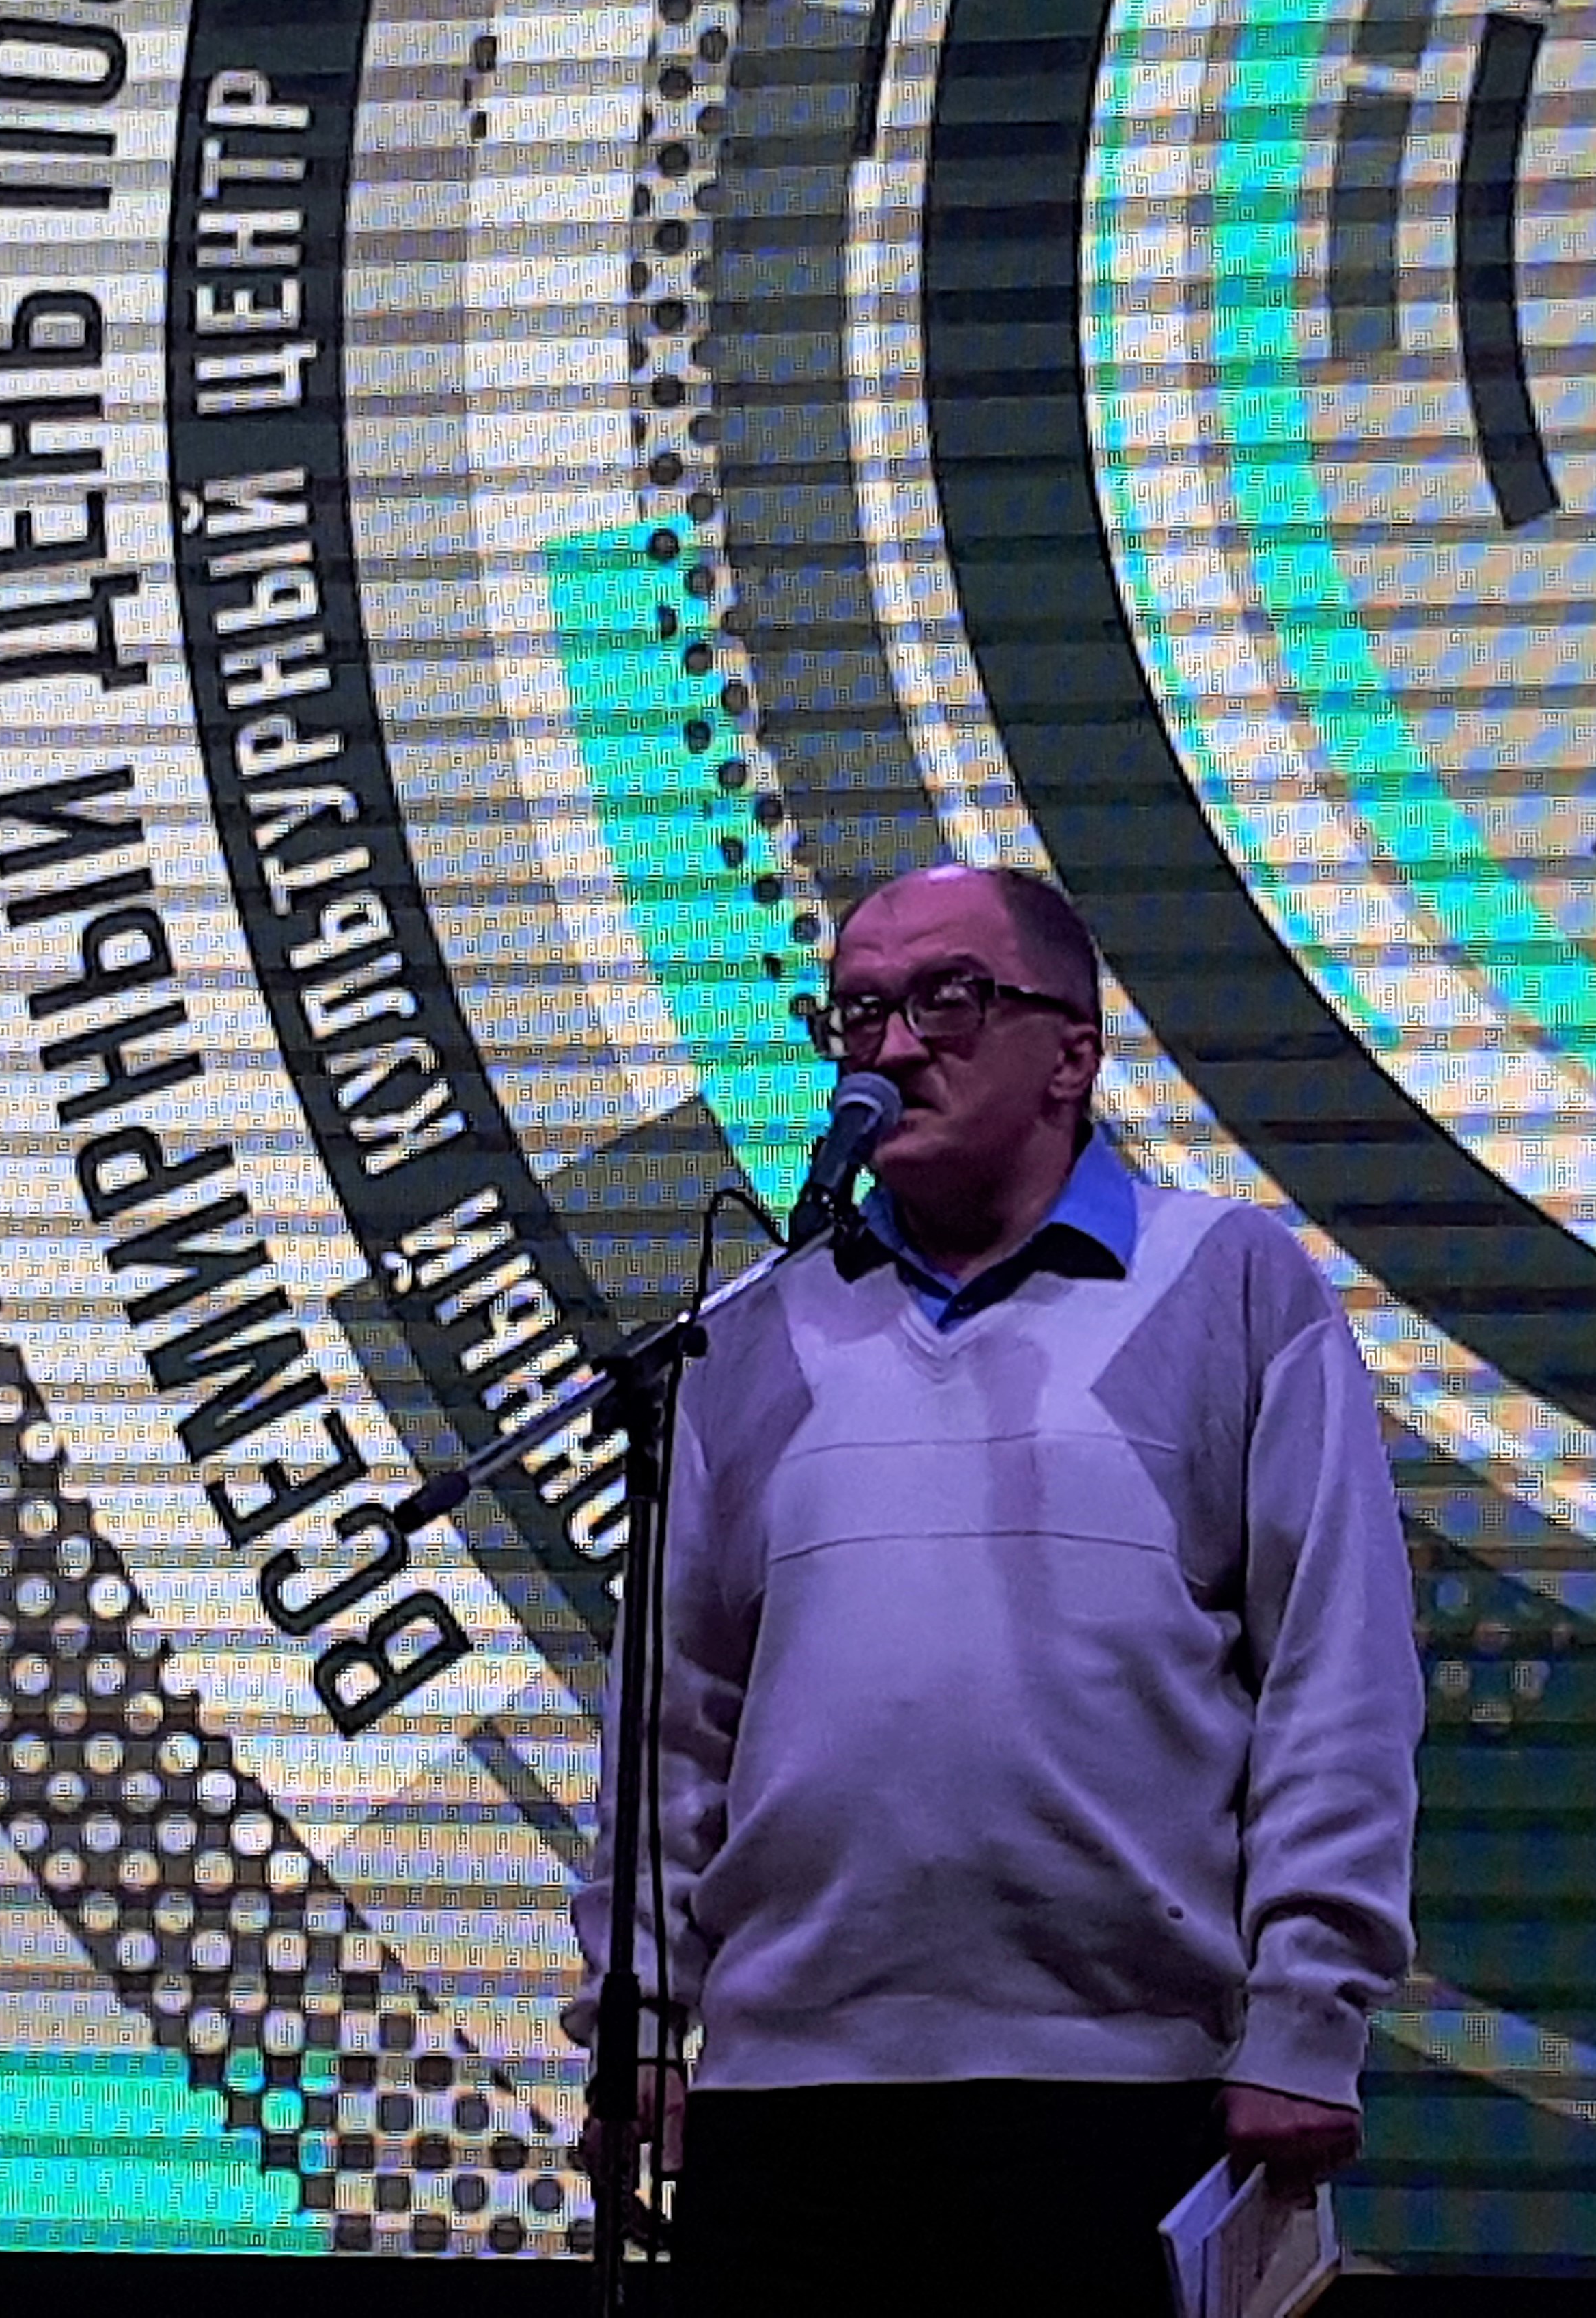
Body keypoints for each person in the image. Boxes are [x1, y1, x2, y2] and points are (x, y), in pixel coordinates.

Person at [570, 863, 1422, 2316]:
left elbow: (1335, 1674)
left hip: (1123, 2092)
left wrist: (1307, 2016)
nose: (892, 1049)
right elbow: (675, 1719)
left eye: (947, 1002)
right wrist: (636, 2015)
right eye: (859, 1014)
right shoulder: (750, 1331)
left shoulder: (1226, 1280)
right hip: (787, 2104)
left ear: (1073, 1056)